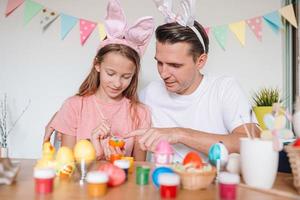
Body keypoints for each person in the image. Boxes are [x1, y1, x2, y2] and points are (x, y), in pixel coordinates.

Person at [123, 1, 260, 161]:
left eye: (175, 65)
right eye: (159, 62)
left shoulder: (224, 89)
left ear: (200, 61)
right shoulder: (149, 94)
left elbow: (252, 141)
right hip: (163, 183)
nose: (163, 73)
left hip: (212, 184)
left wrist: (179, 134)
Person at [45, 0, 154, 161]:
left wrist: (118, 159)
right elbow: (66, 165)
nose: (117, 83)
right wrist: (95, 150)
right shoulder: (74, 106)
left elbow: (139, 168)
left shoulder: (140, 113)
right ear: (97, 65)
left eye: (126, 77)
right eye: (110, 73)